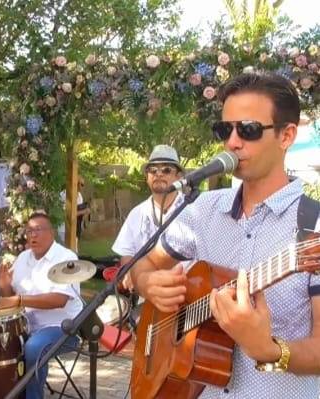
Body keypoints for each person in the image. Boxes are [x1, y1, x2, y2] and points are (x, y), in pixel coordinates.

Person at [131, 72, 320, 398]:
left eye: (247, 130)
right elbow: (143, 264)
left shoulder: (313, 226)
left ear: (286, 136)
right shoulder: (201, 209)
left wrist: (270, 350)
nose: (232, 142)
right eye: (224, 129)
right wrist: (147, 283)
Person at [0, 212, 82, 399]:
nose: (33, 235)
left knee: (34, 347)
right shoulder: (22, 258)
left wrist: (19, 300)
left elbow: (59, 299)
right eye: (29, 231)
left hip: (63, 328)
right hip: (27, 327)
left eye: (38, 230)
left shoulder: (65, 257)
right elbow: (11, 300)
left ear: (51, 233)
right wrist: (4, 288)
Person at [105, 144, 185, 291]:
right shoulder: (136, 214)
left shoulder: (192, 209)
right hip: (147, 296)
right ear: (147, 177)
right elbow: (127, 253)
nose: (158, 174)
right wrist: (131, 274)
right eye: (153, 170)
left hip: (187, 294)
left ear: (178, 176)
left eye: (166, 169)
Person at [58, 176, 90, 245]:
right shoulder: (65, 195)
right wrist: (84, 211)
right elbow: (67, 214)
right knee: (68, 253)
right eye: (82, 184)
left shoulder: (79, 195)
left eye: (83, 185)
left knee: (73, 253)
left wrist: (85, 213)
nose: (83, 187)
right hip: (65, 229)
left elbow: (79, 212)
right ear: (75, 183)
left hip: (75, 229)